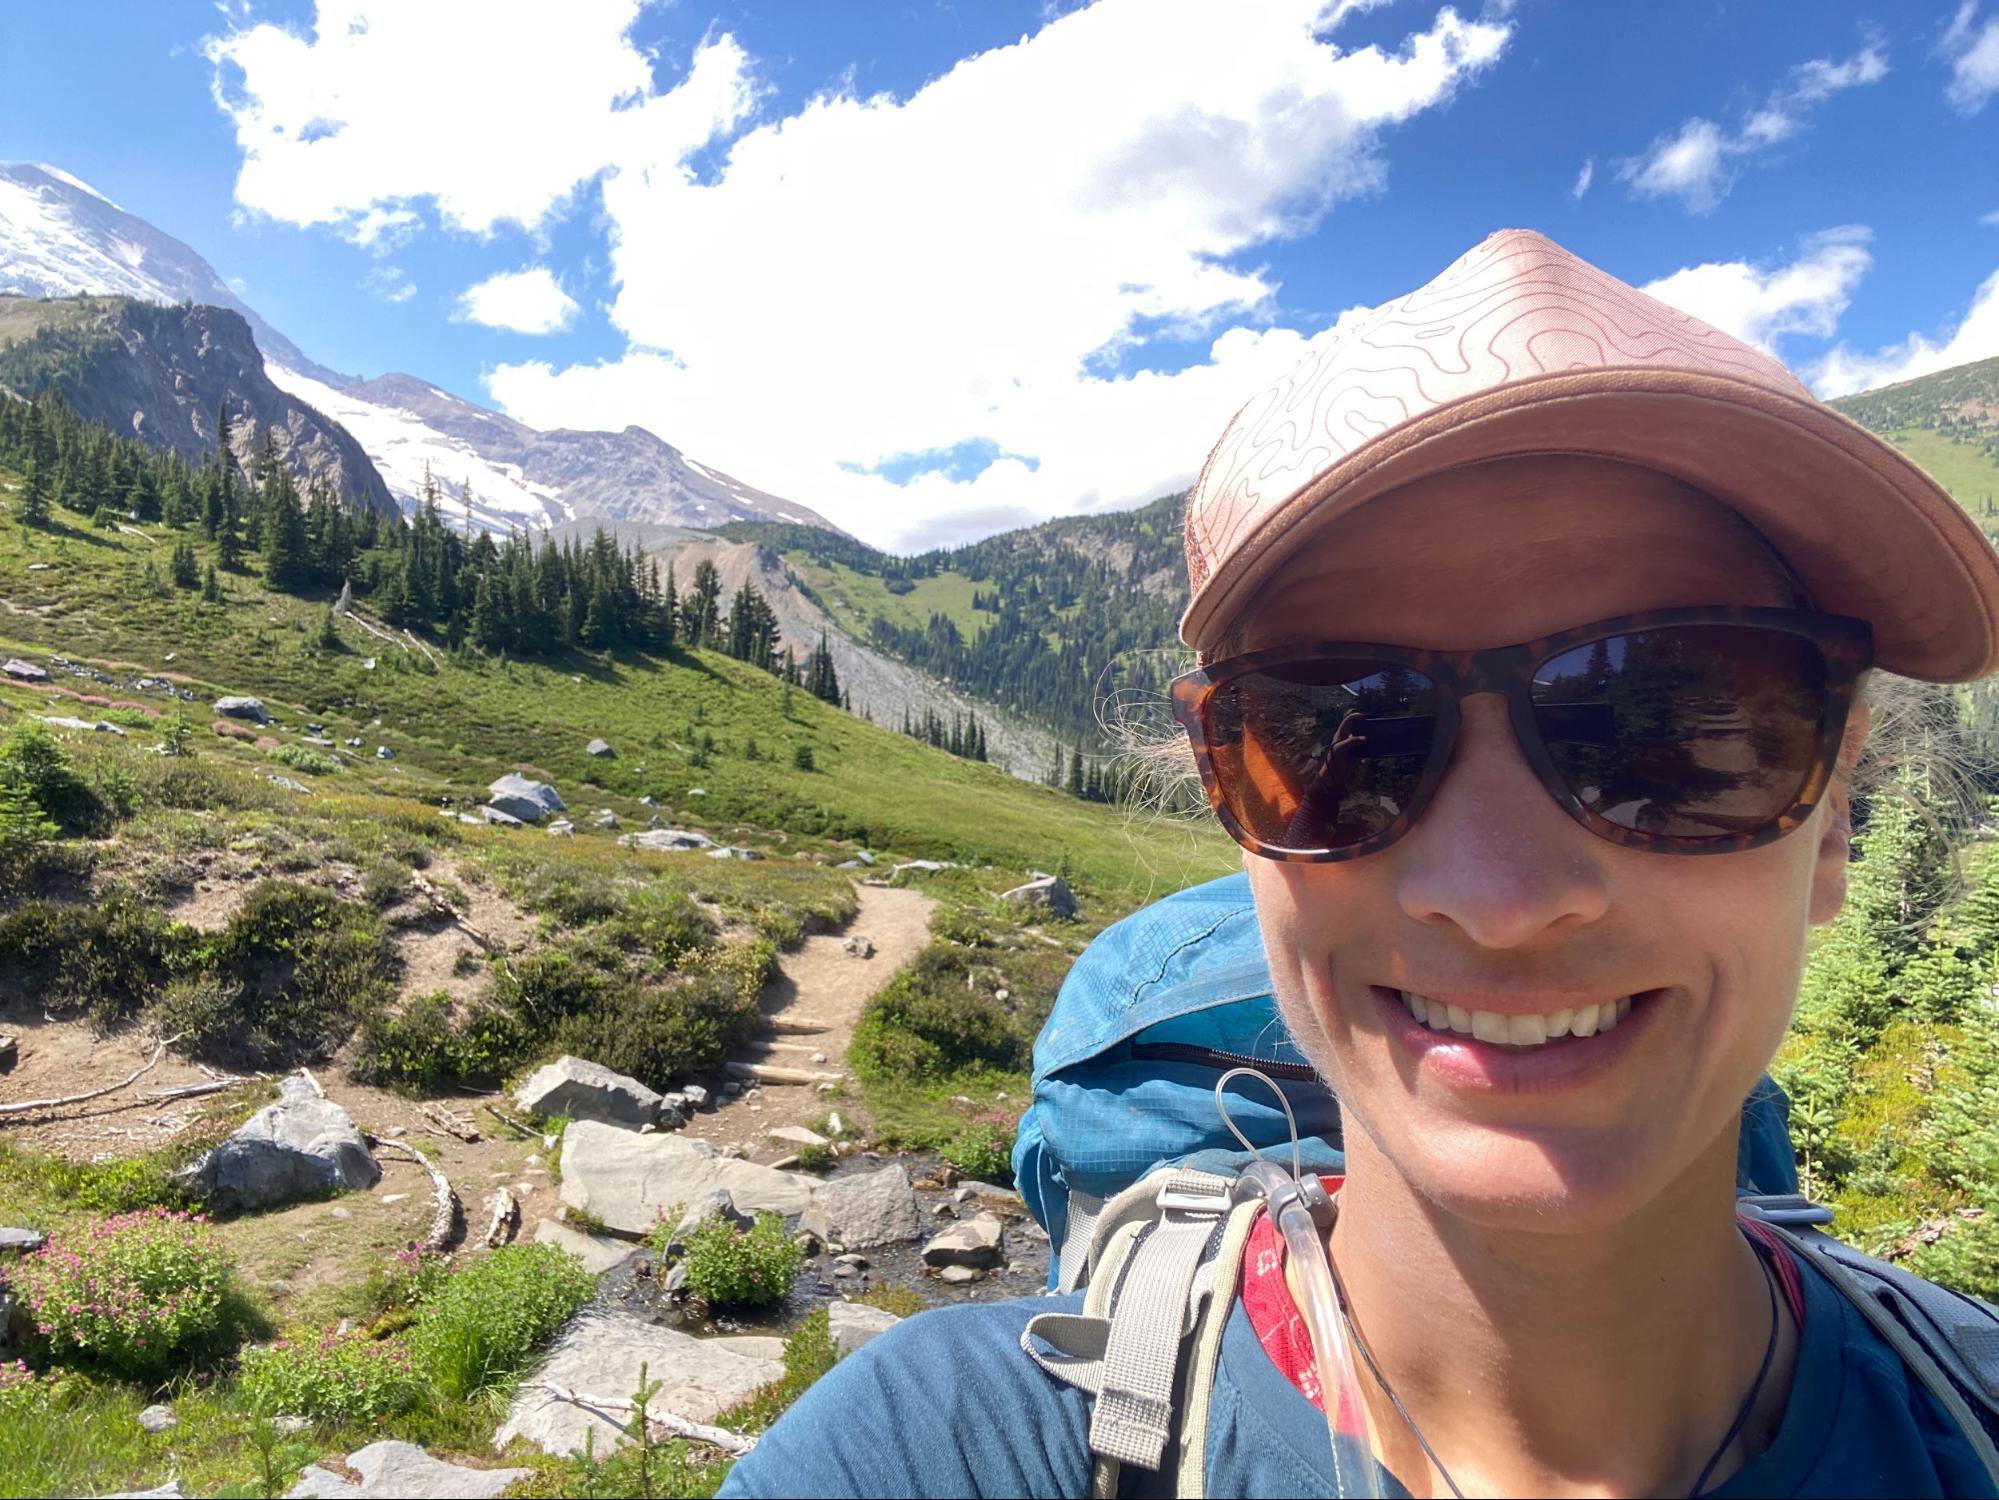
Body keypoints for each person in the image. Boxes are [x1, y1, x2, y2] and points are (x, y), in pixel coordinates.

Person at [720, 229, 1999, 1497]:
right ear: (1232, 800)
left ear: (1831, 819)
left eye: (1665, 723)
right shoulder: (931, 1453)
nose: (1499, 899)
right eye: (1339, 737)